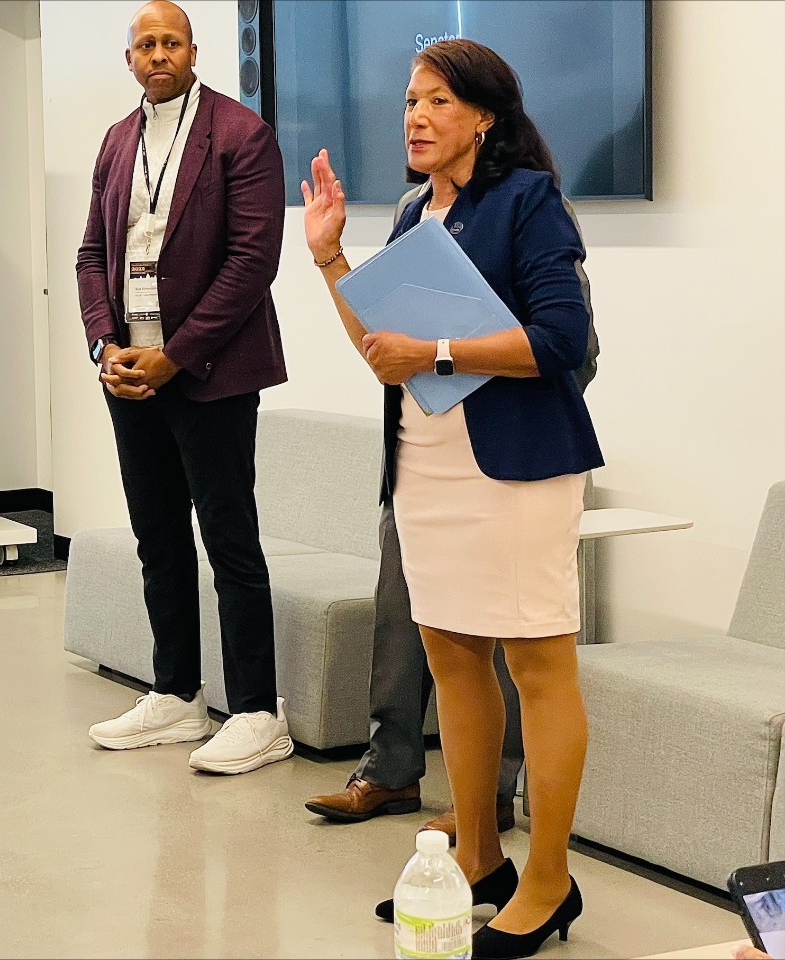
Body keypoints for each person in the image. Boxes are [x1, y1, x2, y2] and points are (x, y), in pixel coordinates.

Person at [303, 38, 603, 959]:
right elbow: (383, 344)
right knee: (451, 656)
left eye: (438, 102)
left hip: (513, 468)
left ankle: (548, 878)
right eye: (409, 102)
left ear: (484, 116)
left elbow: (559, 339)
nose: (416, 118)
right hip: (426, 462)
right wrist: (329, 262)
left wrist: (437, 354)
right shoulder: (409, 212)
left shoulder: (528, 201)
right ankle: (478, 857)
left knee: (538, 662)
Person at [77, 0, 293, 776]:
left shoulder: (241, 134)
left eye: (171, 41)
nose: (158, 54)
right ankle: (174, 694)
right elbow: (89, 254)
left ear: (195, 51)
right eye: (145, 44)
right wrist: (107, 341)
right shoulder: (116, 140)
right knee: (157, 536)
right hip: (129, 373)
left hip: (213, 374)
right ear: (129, 58)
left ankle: (260, 713)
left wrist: (176, 353)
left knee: (230, 542)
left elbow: (251, 264)